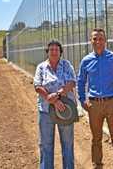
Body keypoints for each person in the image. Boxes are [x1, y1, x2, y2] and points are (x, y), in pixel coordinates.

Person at [77, 28, 113, 169]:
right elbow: (81, 81)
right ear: (91, 41)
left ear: (105, 40)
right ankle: (97, 164)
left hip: (112, 103)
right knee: (96, 138)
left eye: (100, 38)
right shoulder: (86, 60)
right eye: (95, 39)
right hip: (94, 104)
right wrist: (82, 100)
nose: (98, 41)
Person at [34, 40, 76, 169]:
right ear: (47, 52)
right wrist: (49, 97)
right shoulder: (41, 67)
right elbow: (37, 85)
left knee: (67, 143)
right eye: (51, 49)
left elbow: (72, 82)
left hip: (65, 109)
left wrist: (56, 95)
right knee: (46, 144)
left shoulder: (66, 65)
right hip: (46, 110)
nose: (54, 52)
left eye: (56, 49)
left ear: (60, 52)